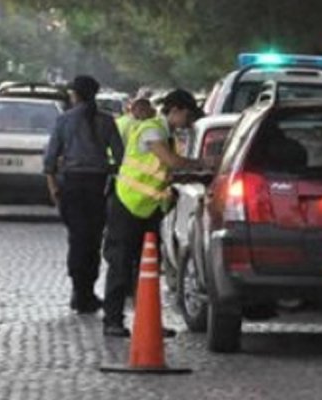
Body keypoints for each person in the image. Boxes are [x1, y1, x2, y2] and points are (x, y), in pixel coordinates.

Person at [102, 89, 204, 337]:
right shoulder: (152, 129)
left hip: (147, 209)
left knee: (147, 269)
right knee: (121, 264)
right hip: (127, 205)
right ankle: (112, 320)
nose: (188, 123)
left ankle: (147, 321)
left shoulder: (167, 134)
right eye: (187, 116)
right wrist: (206, 163)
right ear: (176, 110)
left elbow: (166, 171)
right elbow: (172, 162)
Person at [44, 75, 124, 314]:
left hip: (72, 185)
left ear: (75, 95)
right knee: (92, 239)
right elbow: (120, 157)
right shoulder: (107, 121)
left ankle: (80, 291)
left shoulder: (64, 121)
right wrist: (104, 167)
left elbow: (49, 160)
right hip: (98, 187)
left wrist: (53, 188)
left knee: (77, 239)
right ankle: (86, 291)